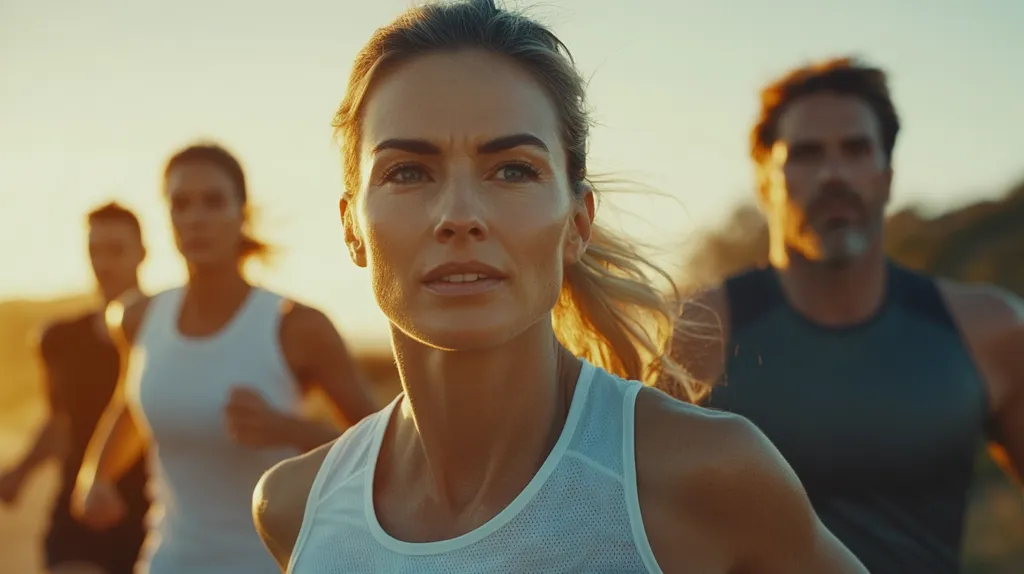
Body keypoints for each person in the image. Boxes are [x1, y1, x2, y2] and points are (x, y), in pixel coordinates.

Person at [250, 2, 867, 573]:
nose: (459, 214)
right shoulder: (294, 509)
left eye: (513, 169)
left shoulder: (706, 475)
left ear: (578, 223)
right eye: (407, 171)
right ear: (351, 229)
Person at [665, 57, 1024, 573]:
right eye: (807, 154)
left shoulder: (988, 329)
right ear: (765, 180)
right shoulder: (694, 333)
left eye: (855, 150)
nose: (834, 174)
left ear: (887, 174)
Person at [70, 143, 381, 574]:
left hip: (269, 563)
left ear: (242, 213)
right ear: (168, 218)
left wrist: (287, 429)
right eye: (181, 204)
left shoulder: (295, 325)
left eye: (213, 202)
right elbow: (130, 407)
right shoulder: (137, 317)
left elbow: (380, 449)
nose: (196, 218)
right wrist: (96, 474)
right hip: (167, 561)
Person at [0, 203, 150, 574]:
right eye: (95, 250)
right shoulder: (60, 339)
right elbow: (59, 423)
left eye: (117, 250)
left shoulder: (165, 335)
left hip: (153, 516)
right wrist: (20, 472)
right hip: (77, 511)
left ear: (142, 254)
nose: (104, 262)